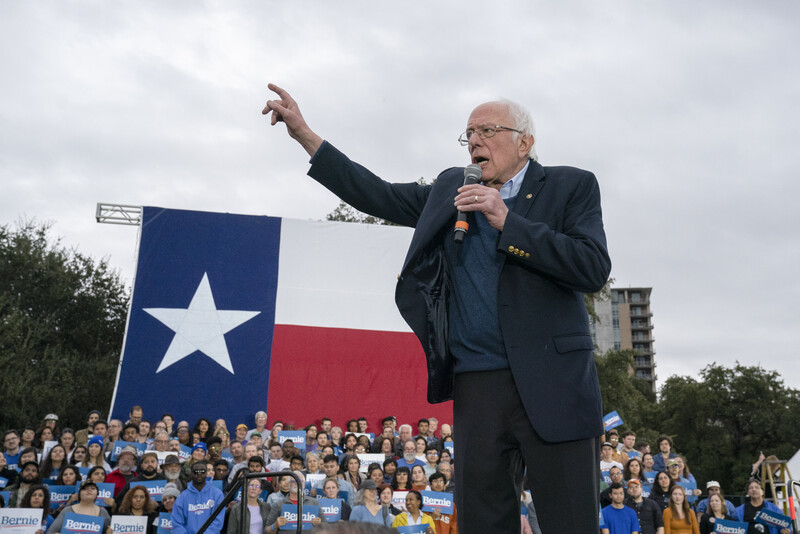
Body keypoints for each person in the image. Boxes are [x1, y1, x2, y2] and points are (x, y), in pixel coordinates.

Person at [263, 83, 610, 534]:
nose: (474, 141)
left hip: (554, 383)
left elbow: (592, 266)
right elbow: (378, 194)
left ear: (525, 142)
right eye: (468, 133)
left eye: (487, 129)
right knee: (483, 523)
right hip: (477, 383)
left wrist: (507, 219)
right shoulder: (452, 187)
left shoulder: (570, 185)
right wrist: (307, 136)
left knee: (570, 523)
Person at [172, 462, 226, 534]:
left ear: (206, 473)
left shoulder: (217, 494)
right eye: (196, 472)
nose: (199, 474)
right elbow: (177, 523)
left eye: (202, 471)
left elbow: (218, 522)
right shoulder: (182, 497)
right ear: (191, 473)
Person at [48, 480, 112, 534]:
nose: (89, 490)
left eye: (93, 488)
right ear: (79, 494)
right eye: (85, 489)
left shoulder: (103, 512)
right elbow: (51, 532)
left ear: (97, 493)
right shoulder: (67, 510)